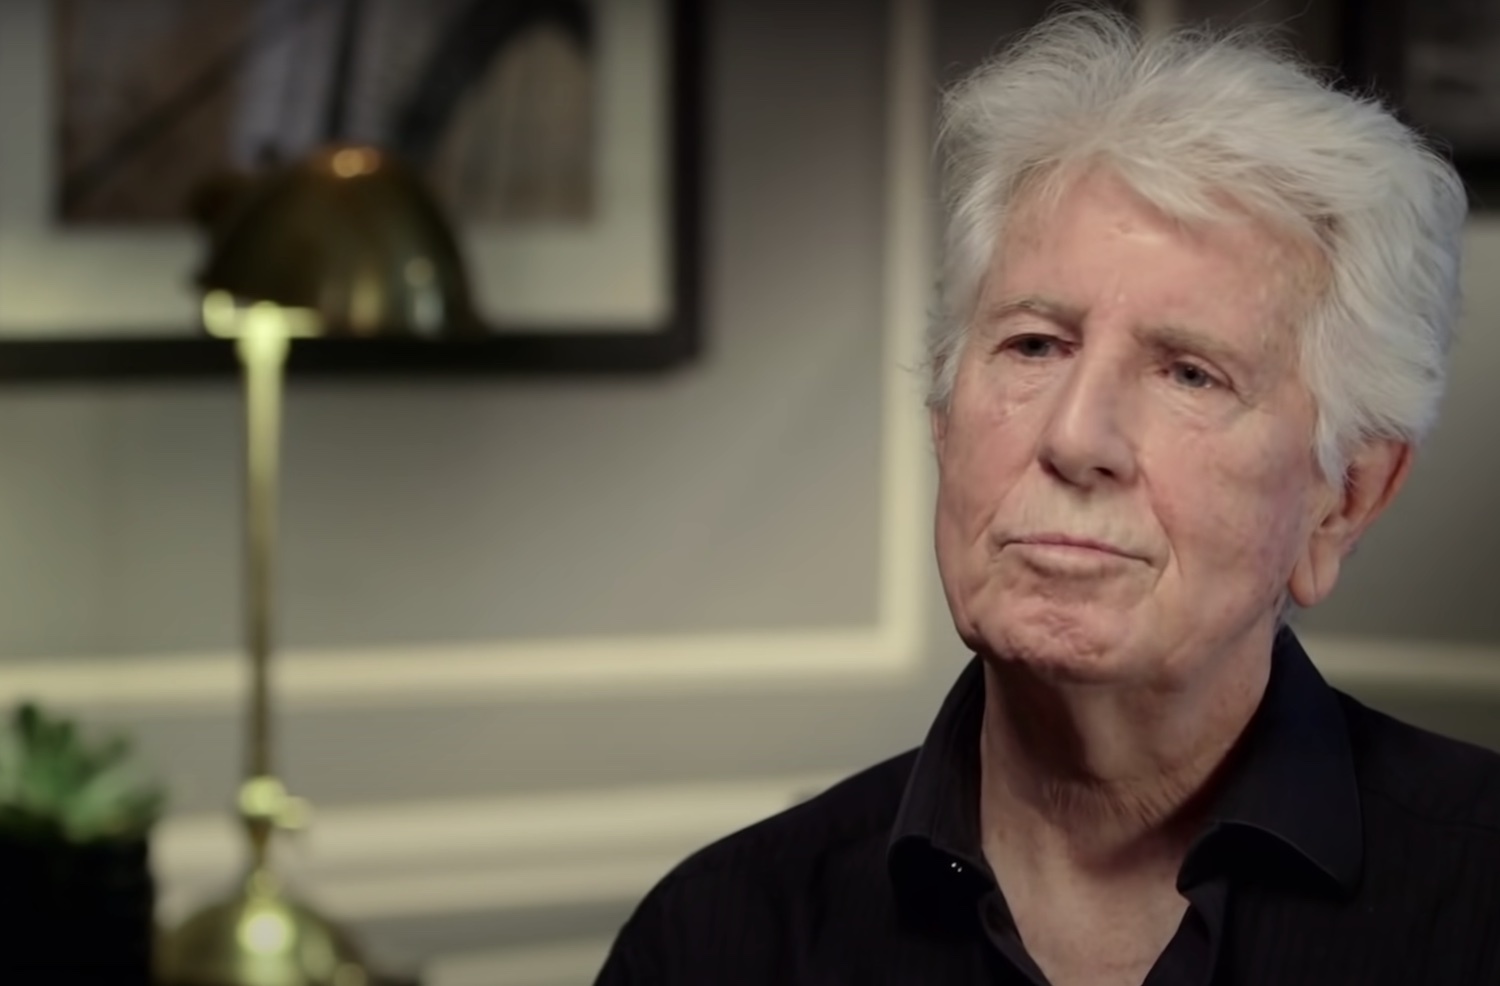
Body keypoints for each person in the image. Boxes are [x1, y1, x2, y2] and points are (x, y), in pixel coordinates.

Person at [594, 9, 1500, 985]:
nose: (1074, 437)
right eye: (1033, 345)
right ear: (943, 418)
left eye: (1189, 373)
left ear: (1346, 499)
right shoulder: (719, 939)